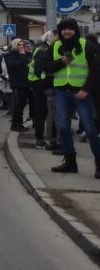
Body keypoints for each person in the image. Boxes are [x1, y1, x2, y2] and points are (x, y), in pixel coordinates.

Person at [46, 18, 100, 178]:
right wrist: (62, 62)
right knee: (63, 127)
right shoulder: (55, 46)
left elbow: (96, 70)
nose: (66, 32)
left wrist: (86, 89)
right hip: (62, 91)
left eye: (70, 29)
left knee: (90, 129)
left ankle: (99, 163)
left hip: (81, 92)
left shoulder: (86, 46)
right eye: (63, 29)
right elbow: (45, 67)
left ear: (75, 30)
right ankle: (70, 162)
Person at [31, 30, 58, 150]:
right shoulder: (43, 50)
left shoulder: (45, 49)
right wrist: (49, 79)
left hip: (42, 85)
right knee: (43, 113)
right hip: (41, 86)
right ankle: (41, 139)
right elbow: (39, 70)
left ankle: (48, 138)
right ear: (50, 37)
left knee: (46, 113)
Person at [4, 38, 32, 132]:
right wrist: (23, 56)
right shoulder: (10, 55)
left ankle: (17, 124)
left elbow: (30, 63)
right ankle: (16, 125)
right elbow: (15, 65)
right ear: (15, 45)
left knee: (22, 104)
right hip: (17, 84)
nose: (21, 47)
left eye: (22, 45)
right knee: (18, 104)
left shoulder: (24, 55)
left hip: (25, 83)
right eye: (19, 45)